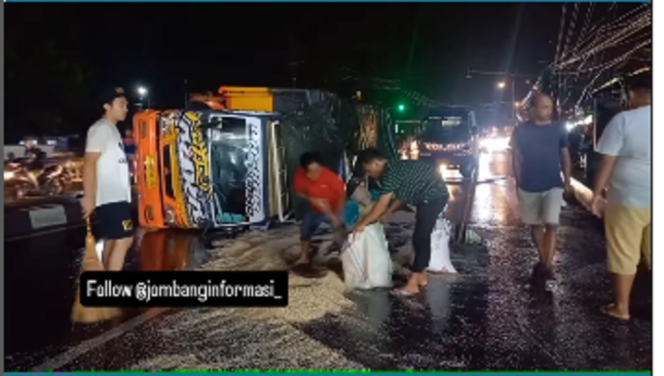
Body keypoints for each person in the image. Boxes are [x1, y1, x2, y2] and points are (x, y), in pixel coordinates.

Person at [590, 75, 651, 321]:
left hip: (627, 198)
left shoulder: (624, 120)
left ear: (632, 94)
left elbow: (608, 161)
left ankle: (621, 308)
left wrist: (596, 194)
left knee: (624, 252)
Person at [354, 148, 449, 296]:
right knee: (422, 237)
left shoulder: (390, 173)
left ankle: (412, 284)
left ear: (377, 163)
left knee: (420, 237)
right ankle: (421, 276)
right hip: (433, 196)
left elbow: (381, 204)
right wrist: (388, 213)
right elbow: (402, 196)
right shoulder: (396, 168)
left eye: (369, 170)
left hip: (432, 197)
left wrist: (362, 223)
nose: (369, 174)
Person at [511, 93, 572, 284]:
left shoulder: (559, 129)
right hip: (528, 185)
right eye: (543, 107)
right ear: (533, 109)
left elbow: (565, 155)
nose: (547, 111)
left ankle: (547, 264)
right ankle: (543, 258)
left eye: (549, 107)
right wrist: (519, 181)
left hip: (553, 183)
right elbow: (516, 156)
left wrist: (567, 180)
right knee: (535, 224)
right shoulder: (520, 131)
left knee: (552, 224)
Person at [81, 87, 134, 272]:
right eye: (121, 104)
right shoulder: (100, 129)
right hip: (110, 197)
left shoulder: (112, 130)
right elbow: (89, 162)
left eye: (126, 104)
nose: (126, 108)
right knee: (124, 239)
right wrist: (89, 197)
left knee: (113, 241)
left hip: (116, 196)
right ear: (107, 106)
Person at [294, 152, 346, 264]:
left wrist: (338, 213)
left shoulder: (331, 177)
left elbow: (342, 195)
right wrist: (311, 199)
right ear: (305, 171)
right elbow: (299, 191)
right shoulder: (300, 175)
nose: (317, 174)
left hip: (333, 208)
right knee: (305, 230)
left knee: (340, 230)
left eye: (318, 170)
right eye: (312, 172)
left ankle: (345, 255)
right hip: (314, 209)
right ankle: (304, 257)